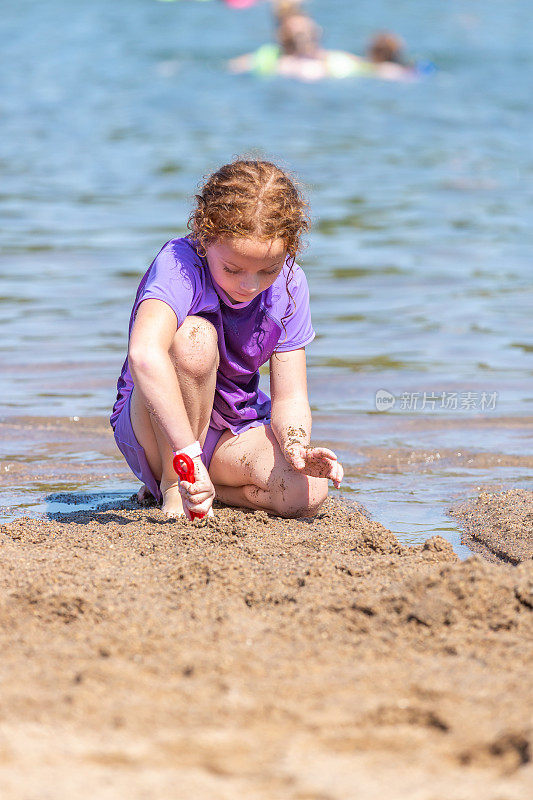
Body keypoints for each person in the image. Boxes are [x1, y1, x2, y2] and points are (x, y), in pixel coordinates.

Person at [110, 159, 343, 521]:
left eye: (268, 269)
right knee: (195, 339)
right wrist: (186, 453)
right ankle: (174, 485)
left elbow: (291, 397)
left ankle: (209, 488)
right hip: (157, 427)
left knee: (306, 492)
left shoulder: (290, 285)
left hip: (229, 428)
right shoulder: (179, 264)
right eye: (232, 269)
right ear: (204, 237)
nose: (249, 286)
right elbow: (144, 354)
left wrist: (295, 445)